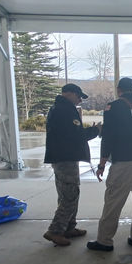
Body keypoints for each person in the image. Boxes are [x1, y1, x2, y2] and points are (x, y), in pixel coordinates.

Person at [87, 77, 132, 252]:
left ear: (119, 90)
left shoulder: (114, 107)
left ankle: (104, 240)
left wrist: (102, 162)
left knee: (114, 200)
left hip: (125, 160)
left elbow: (108, 136)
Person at [43, 84, 101, 247]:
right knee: (69, 195)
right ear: (69, 94)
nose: (80, 99)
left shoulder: (60, 108)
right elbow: (77, 136)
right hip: (65, 158)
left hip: (63, 157)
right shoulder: (65, 110)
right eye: (78, 96)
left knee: (68, 193)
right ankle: (55, 231)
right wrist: (96, 130)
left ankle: (69, 227)